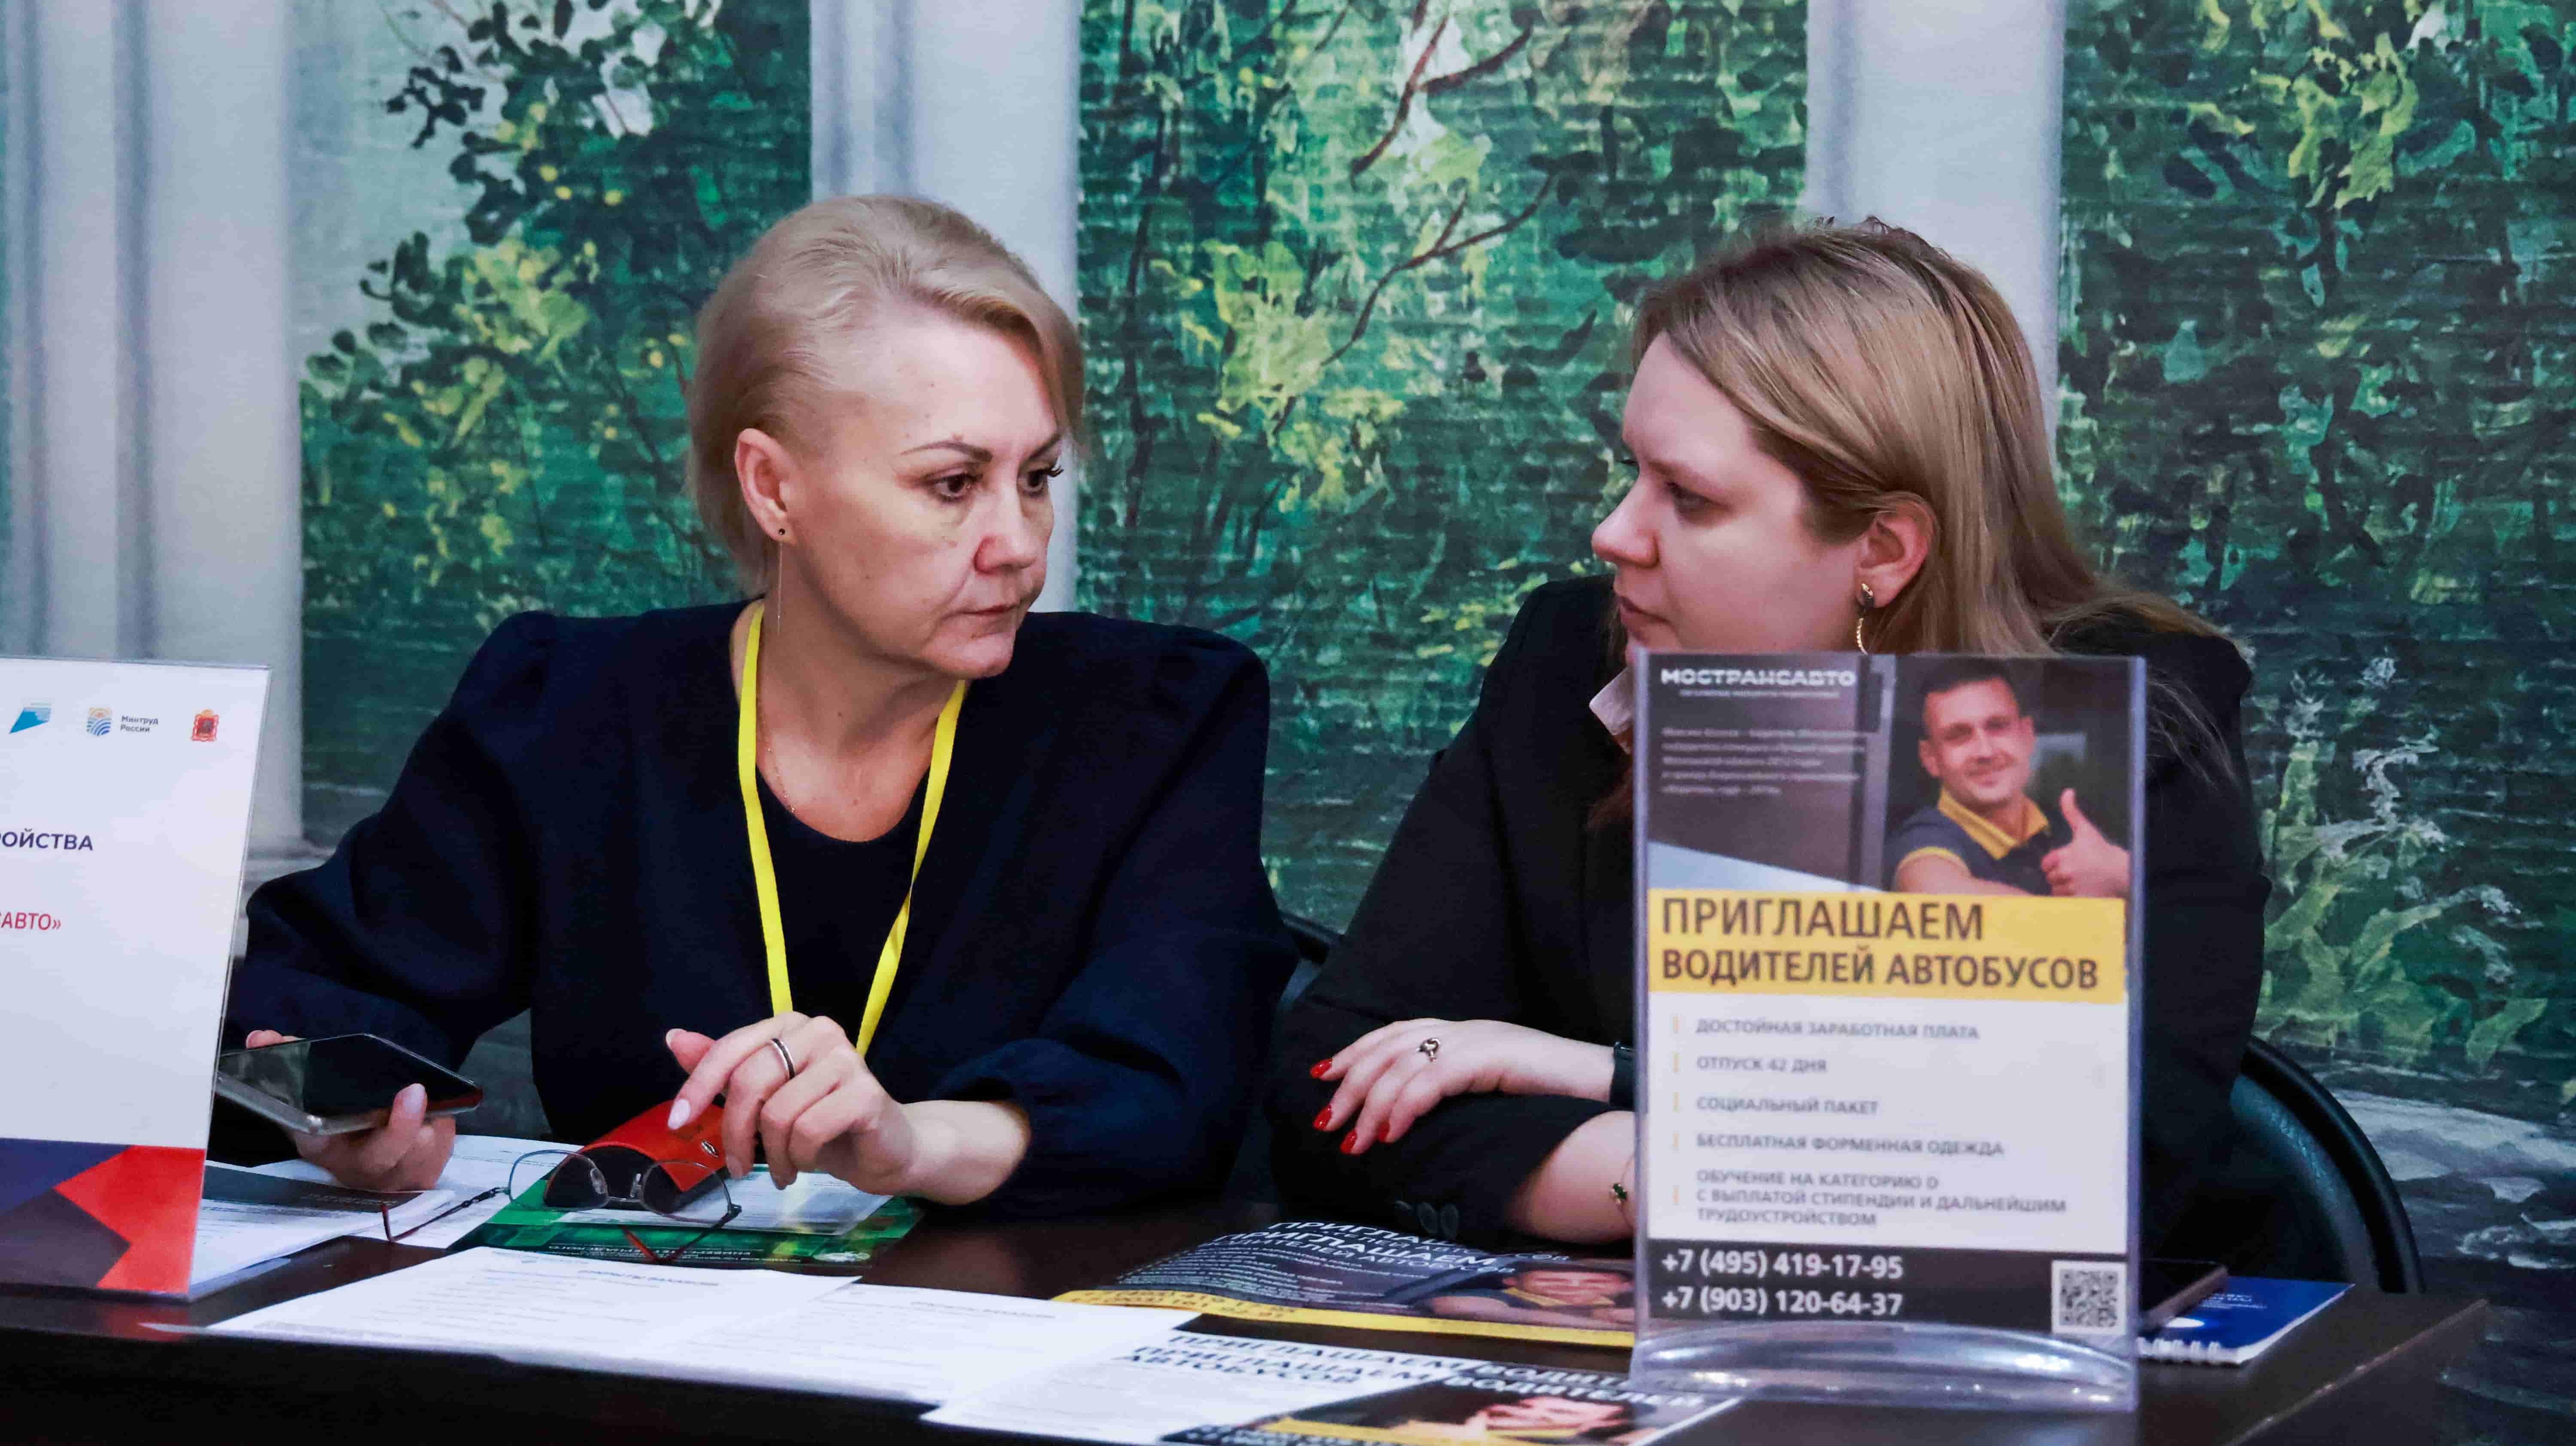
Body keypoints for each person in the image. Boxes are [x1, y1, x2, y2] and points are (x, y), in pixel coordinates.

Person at [228, 196, 1297, 1216]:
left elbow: (1177, 1085)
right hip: (631, 1324)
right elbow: (301, 997)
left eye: (1038, 477)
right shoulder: (569, 710)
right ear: (774, 488)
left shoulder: (1155, 722)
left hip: (1009, 1325)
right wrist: (341, 1112)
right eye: (953, 484)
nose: (1018, 544)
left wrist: (909, 1142)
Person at [1268, 219, 2268, 1255]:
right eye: (1632, 473)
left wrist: (1603, 1081)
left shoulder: (2140, 726)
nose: (1614, 533)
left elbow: (2062, 1170)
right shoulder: (1565, 661)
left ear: (1882, 550)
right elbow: (1337, 1084)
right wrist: (1655, 1173)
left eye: (1688, 497)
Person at [1886, 659, 2132, 899]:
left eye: (1997, 726)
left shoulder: (2068, 830)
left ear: (2027, 735)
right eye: (1959, 735)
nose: (1985, 752)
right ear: (1930, 758)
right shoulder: (1922, 838)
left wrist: (2120, 873)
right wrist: (2097, 901)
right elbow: (1933, 890)